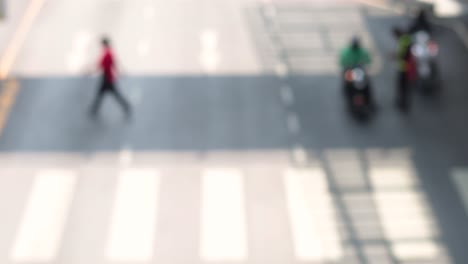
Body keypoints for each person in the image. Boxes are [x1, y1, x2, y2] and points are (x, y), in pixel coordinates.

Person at [90, 37, 131, 116]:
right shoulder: (108, 52)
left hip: (107, 77)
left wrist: (119, 71)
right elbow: (113, 64)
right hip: (107, 77)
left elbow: (105, 64)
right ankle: (94, 109)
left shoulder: (107, 53)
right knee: (102, 94)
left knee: (106, 94)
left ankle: (94, 109)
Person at [339, 36, 374, 107]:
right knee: (348, 83)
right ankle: (349, 98)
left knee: (367, 83)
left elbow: (368, 60)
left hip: (359, 70)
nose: (355, 46)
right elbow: (342, 62)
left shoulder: (362, 51)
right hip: (349, 71)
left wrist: (363, 64)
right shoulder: (346, 51)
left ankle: (369, 101)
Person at [392, 27, 413, 111]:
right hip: (405, 67)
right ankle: (402, 101)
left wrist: (394, 56)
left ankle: (403, 103)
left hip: (404, 68)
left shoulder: (403, 41)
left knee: (403, 86)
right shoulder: (406, 39)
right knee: (404, 86)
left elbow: (402, 54)